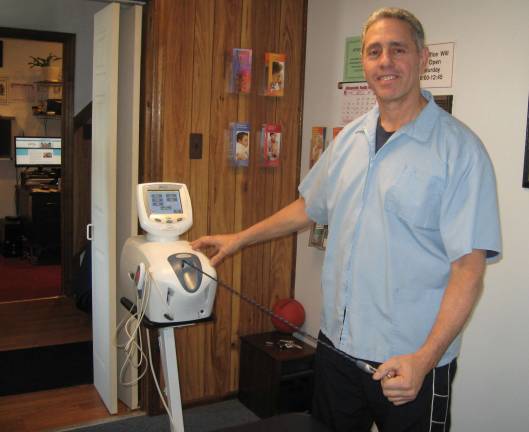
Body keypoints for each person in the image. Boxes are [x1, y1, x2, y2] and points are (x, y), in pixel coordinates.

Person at [192, 7, 501, 432]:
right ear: (365, 64)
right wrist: (240, 238)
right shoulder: (350, 138)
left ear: (422, 57)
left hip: (409, 362)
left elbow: (469, 269)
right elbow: (309, 207)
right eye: (374, 52)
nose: (385, 61)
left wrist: (424, 360)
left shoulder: (460, 151)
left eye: (398, 49)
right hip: (338, 349)